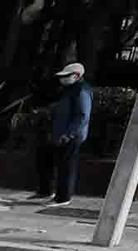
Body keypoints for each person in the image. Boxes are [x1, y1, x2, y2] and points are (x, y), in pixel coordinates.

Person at [33, 62, 92, 207]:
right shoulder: (69, 90)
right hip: (60, 133)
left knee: (66, 167)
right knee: (50, 162)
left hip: (70, 136)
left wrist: (68, 134)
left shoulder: (81, 91)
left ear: (76, 76)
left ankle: (63, 198)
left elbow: (82, 116)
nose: (62, 79)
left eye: (66, 76)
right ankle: (47, 192)